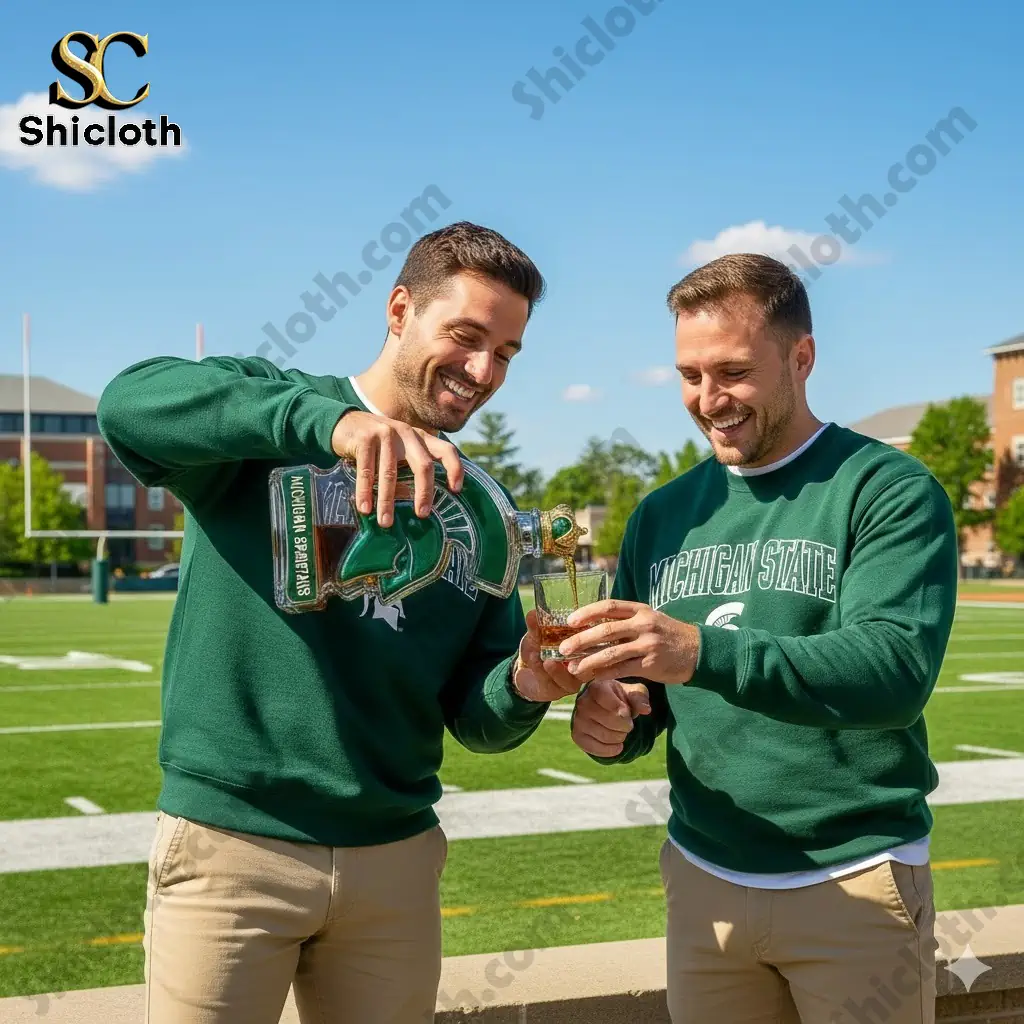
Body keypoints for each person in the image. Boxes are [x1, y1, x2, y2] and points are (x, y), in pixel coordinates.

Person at [97, 221, 577, 1024]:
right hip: (232, 850)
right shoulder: (270, 414)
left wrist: (527, 683)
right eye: (465, 336)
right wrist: (328, 424)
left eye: (506, 352)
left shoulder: (482, 503)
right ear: (399, 310)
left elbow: (476, 717)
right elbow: (128, 404)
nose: (483, 370)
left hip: (393, 863)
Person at [563, 253, 958, 1024]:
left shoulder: (888, 488)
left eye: (734, 372)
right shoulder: (661, 514)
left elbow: (893, 671)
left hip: (854, 877)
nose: (708, 400)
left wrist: (698, 651)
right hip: (703, 874)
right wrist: (611, 719)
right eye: (689, 375)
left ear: (801, 357)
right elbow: (648, 694)